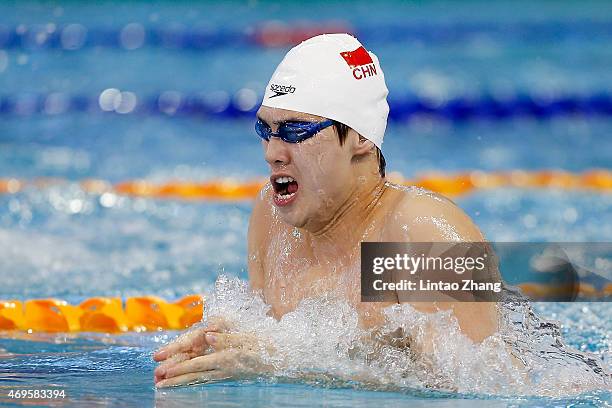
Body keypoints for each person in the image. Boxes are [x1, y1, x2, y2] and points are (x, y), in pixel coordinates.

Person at [153, 33, 498, 388]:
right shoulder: (272, 218)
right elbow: (272, 339)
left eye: (296, 130)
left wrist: (280, 360)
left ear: (361, 138)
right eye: (265, 129)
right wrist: (223, 340)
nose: (271, 152)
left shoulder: (417, 233)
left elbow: (477, 385)